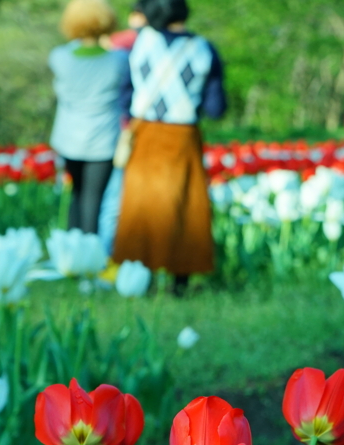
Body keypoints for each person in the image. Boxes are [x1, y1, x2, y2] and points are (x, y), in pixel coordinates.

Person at [113, 0, 226, 292]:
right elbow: (216, 107)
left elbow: (124, 94)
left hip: (145, 132)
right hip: (182, 134)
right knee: (183, 204)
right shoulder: (203, 49)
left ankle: (140, 277)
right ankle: (180, 280)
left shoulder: (139, 45)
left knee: (142, 205)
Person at [49, 0, 127, 234]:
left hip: (69, 138)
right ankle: (90, 260)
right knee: (94, 201)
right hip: (103, 140)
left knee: (76, 195)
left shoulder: (60, 57)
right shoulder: (119, 60)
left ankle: (73, 252)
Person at [97, 1, 147, 254]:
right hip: (132, 130)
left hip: (126, 129)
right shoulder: (121, 44)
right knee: (118, 197)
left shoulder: (117, 44)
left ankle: (111, 255)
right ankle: (114, 254)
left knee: (116, 199)